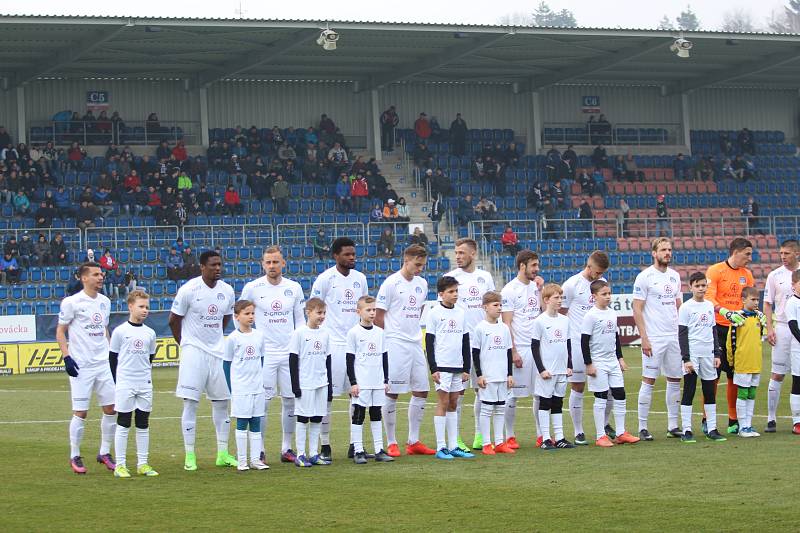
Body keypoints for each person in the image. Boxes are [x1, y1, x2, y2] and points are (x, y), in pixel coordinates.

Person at [169, 250, 237, 471]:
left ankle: (223, 453)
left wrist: (214, 338)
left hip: (218, 352)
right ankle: (190, 455)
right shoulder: (189, 289)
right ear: (202, 267)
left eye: (220, 265)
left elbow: (226, 318)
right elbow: (173, 320)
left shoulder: (227, 291)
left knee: (222, 403)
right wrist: (186, 345)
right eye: (213, 265)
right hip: (194, 352)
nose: (217, 268)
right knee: (191, 403)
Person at [239, 246, 305, 464]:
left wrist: (300, 348)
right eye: (268, 262)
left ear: (283, 263)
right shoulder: (252, 288)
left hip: (288, 354)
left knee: (290, 401)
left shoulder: (294, 288)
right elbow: (239, 314)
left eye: (276, 262)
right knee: (263, 402)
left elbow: (300, 321)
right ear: (262, 264)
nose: (272, 266)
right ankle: (260, 449)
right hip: (264, 355)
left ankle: (287, 447)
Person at [310, 237, 368, 461]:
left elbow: (363, 308)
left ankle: (356, 444)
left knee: (357, 395)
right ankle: (325, 445)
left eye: (354, 254)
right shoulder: (325, 279)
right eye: (347, 254)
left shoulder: (360, 279)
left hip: (356, 344)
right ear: (336, 255)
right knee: (328, 396)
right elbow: (314, 308)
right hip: (332, 345)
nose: (352, 258)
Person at [56, 262, 116, 474]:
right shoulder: (72, 302)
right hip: (82, 366)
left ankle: (104, 452)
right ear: (84, 278)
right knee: (81, 412)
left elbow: (104, 329)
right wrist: (67, 358)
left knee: (111, 409)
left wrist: (111, 354)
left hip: (102, 364)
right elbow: (61, 331)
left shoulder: (105, 302)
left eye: (101, 274)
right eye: (96, 274)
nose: (101, 277)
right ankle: (75, 455)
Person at [375, 245, 434, 457]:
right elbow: (379, 315)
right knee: (392, 391)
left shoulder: (422, 284)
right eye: (417, 265)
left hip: (415, 342)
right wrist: (386, 341)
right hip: (395, 342)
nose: (420, 269)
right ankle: (391, 442)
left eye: (423, 266)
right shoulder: (391, 283)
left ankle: (413, 441)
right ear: (406, 260)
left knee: (422, 390)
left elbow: (417, 312)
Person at [446, 238, 496, 450]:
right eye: (456, 252)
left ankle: (479, 435)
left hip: (482, 342)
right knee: (458, 392)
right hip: (460, 343)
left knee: (481, 388)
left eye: (461, 253)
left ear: (473, 254)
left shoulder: (485, 277)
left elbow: (492, 304)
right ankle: (455, 438)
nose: (457, 256)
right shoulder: (451, 278)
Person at [633, 238, 683, 441]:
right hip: (654, 337)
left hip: (673, 336)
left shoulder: (675, 276)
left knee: (674, 379)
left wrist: (682, 334)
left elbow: (679, 305)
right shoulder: (645, 277)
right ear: (654, 253)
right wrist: (644, 338)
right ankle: (642, 427)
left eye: (669, 249)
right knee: (649, 380)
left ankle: (673, 425)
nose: (667, 253)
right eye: (663, 250)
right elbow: (637, 308)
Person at [705, 238, 755, 435]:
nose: (750, 258)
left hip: (738, 329)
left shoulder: (747, 275)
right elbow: (709, 297)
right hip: (718, 328)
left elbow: (748, 300)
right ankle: (707, 419)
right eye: (747, 254)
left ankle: (733, 419)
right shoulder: (715, 271)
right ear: (736, 252)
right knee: (713, 376)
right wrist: (723, 311)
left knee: (735, 375)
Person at [582, 280, 640, 447]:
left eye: (609, 293)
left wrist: (620, 358)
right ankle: (600, 436)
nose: (608, 297)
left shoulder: (612, 313)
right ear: (594, 296)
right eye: (604, 294)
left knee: (620, 395)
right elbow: (584, 341)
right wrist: (589, 364)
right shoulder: (590, 316)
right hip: (598, 362)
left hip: (612, 361)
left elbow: (615, 337)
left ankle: (621, 433)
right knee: (600, 398)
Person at [562, 251, 610, 445]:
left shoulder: (602, 283)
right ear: (589, 266)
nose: (598, 277)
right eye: (596, 272)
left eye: (601, 274)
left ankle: (606, 426)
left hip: (598, 346)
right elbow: (562, 315)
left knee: (607, 388)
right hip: (576, 343)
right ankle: (578, 431)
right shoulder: (571, 285)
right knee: (578, 386)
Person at [109, 290, 159, 478]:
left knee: (143, 423)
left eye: (147, 307)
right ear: (130, 306)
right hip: (125, 383)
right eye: (141, 306)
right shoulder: (120, 331)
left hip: (144, 383)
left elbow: (150, 357)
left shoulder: (150, 333)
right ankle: (120, 465)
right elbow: (112, 359)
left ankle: (143, 464)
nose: (145, 310)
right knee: (123, 423)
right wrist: (119, 382)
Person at [426, 276, 474, 460]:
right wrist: (433, 368)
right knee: (443, 403)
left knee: (454, 403)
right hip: (442, 366)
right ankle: (441, 447)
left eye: (456, 291)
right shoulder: (434, 313)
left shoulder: (461, 313)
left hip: (457, 365)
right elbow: (429, 342)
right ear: (441, 294)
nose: (455, 295)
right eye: (451, 292)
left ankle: (454, 445)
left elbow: (465, 341)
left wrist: (466, 368)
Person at [501, 250, 543, 448]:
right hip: (521, 348)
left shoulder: (537, 287)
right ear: (522, 266)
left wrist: (542, 290)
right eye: (533, 265)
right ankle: (510, 435)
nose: (537, 269)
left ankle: (541, 434)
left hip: (538, 348)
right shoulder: (509, 290)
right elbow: (506, 323)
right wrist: (513, 351)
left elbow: (543, 312)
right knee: (513, 395)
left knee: (540, 393)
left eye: (537, 265)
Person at [678, 272, 727, 442]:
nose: (700, 288)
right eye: (697, 285)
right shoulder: (685, 307)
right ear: (690, 287)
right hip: (693, 356)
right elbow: (682, 335)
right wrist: (686, 359)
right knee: (689, 391)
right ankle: (686, 430)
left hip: (708, 356)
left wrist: (717, 353)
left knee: (709, 392)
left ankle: (712, 429)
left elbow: (713, 330)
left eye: (703, 285)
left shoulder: (708, 306)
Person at [223, 300, 270, 471]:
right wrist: (232, 389)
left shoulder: (259, 336)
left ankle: (256, 460)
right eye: (246, 313)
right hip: (241, 389)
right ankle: (242, 461)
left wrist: (257, 379)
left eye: (252, 313)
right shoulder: (232, 339)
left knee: (256, 422)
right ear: (237, 316)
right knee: (242, 423)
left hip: (257, 388)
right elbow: (226, 365)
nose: (251, 316)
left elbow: (262, 359)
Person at [346, 296, 393, 464]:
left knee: (376, 413)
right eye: (368, 310)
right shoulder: (353, 333)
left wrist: (386, 380)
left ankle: (379, 449)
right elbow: (349, 360)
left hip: (377, 381)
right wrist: (353, 382)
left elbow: (384, 357)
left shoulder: (380, 333)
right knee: (358, 415)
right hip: (362, 382)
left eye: (374, 309)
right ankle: (358, 450)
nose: (372, 312)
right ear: (359, 312)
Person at [288, 298, 332, 467]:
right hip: (305, 383)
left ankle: (314, 453)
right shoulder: (299, 333)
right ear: (308, 312)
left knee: (317, 417)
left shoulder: (325, 333)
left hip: (322, 382)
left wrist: (328, 386)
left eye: (324, 313)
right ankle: (300, 454)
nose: (322, 316)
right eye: (319, 313)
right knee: (303, 418)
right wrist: (295, 386)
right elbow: (293, 360)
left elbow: (327, 360)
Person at [532, 284, 576, 450]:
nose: (560, 301)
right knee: (545, 402)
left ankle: (560, 437)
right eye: (556, 298)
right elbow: (534, 347)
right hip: (547, 371)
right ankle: (545, 438)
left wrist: (569, 365)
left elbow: (568, 344)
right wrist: (541, 369)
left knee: (558, 403)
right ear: (546, 300)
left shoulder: (565, 320)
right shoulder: (540, 321)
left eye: (561, 297)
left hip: (561, 370)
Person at [471, 291, 515, 455]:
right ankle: (486, 443)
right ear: (485, 307)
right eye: (495, 305)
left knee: (500, 409)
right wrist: (479, 374)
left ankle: (499, 442)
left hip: (501, 375)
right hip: (487, 377)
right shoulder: (480, 328)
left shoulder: (504, 328)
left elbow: (508, 352)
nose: (499, 308)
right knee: (487, 409)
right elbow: (475, 353)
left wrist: (509, 374)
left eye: (500, 305)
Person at [764, 239, 800, 432]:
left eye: (786, 253)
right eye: (781, 253)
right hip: (783, 327)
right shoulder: (774, 275)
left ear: (796, 253)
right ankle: (771, 418)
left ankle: (797, 419)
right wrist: (769, 328)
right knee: (777, 373)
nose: (783, 257)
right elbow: (768, 303)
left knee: (799, 375)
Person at [727, 287, 766, 437]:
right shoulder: (738, 317)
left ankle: (749, 425)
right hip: (742, 362)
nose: (756, 302)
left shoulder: (759, 317)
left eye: (757, 299)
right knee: (742, 393)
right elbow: (730, 342)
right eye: (753, 299)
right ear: (743, 300)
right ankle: (742, 426)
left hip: (756, 362)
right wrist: (731, 361)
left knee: (752, 393)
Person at [783, 270, 800, 435]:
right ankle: (797, 421)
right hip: (798, 349)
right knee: (798, 382)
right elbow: (794, 327)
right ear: (793, 285)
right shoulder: (792, 303)